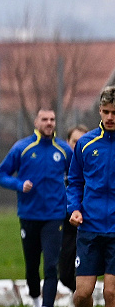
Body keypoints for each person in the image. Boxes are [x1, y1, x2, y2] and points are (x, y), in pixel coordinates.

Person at [0, 108, 71, 307]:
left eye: (52, 119)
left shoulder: (64, 150)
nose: (49, 123)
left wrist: (70, 200)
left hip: (55, 217)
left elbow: (76, 178)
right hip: (29, 217)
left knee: (51, 266)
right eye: (45, 119)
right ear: (36, 122)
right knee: (31, 268)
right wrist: (20, 185)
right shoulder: (22, 148)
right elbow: (1, 175)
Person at [67, 87, 115, 307]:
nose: (110, 118)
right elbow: (74, 182)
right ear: (99, 111)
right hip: (89, 228)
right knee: (82, 294)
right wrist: (74, 208)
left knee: (111, 293)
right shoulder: (85, 144)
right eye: (106, 112)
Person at [60, 124, 89, 295]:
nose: (77, 146)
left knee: (85, 266)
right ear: (67, 142)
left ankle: (82, 301)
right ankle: (77, 292)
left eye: (82, 142)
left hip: (87, 222)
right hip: (64, 222)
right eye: (74, 141)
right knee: (64, 273)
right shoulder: (60, 162)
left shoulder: (92, 164)